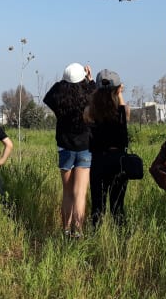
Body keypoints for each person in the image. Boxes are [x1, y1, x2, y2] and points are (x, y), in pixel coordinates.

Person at [43, 62, 96, 238]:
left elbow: (48, 96)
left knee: (67, 192)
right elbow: (96, 94)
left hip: (64, 147)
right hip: (85, 148)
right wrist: (90, 80)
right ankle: (78, 231)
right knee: (80, 193)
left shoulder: (60, 99)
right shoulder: (88, 96)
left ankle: (65, 229)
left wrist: (64, 80)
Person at [85, 69, 131, 228]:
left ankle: (95, 236)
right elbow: (124, 110)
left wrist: (93, 86)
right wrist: (118, 93)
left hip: (98, 161)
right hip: (118, 160)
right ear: (118, 89)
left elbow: (89, 111)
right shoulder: (122, 112)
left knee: (98, 205)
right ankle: (122, 240)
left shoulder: (90, 111)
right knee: (118, 207)